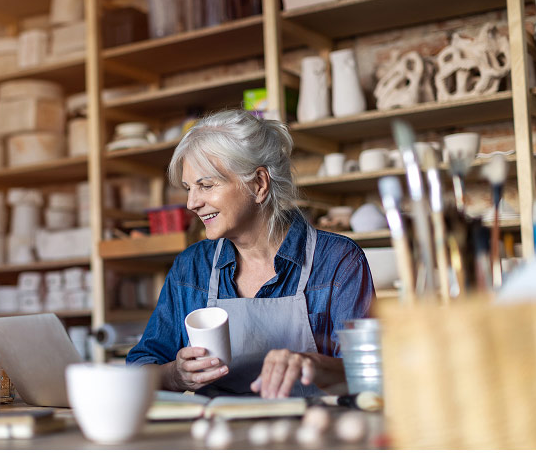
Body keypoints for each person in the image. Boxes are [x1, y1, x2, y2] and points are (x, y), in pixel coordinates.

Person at [126, 109, 375, 398]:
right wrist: (175, 375)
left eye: (206, 185)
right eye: (188, 188)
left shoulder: (337, 261)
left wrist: (312, 365)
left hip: (311, 437)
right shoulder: (192, 267)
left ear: (259, 184)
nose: (192, 203)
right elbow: (139, 368)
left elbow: (369, 375)